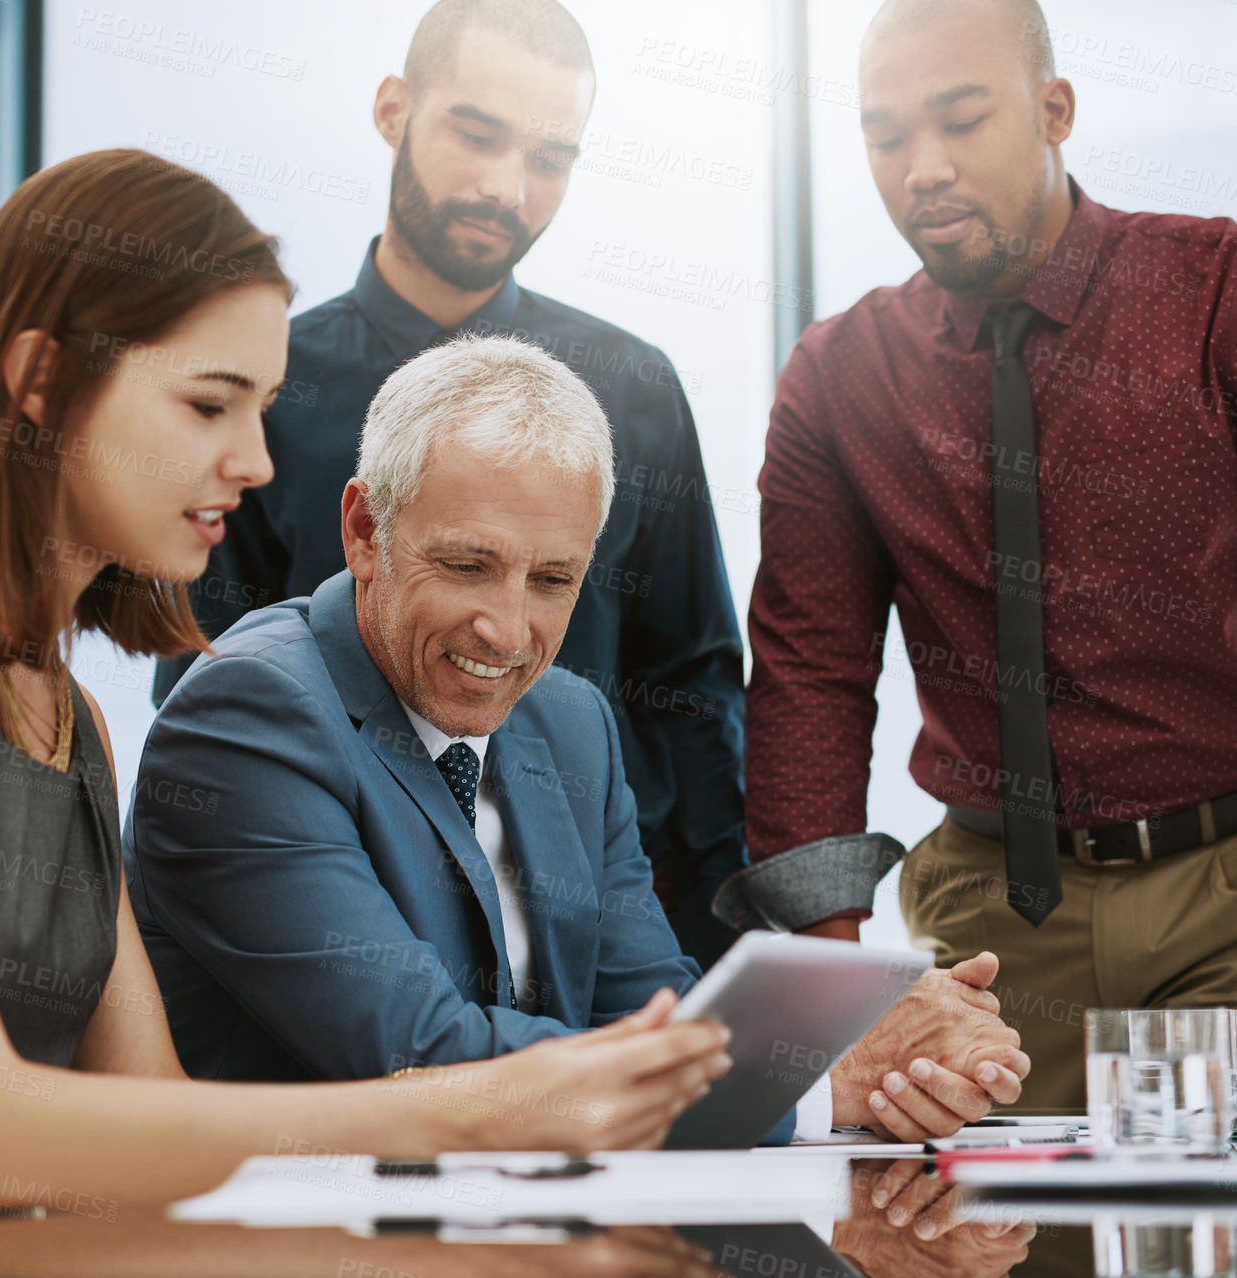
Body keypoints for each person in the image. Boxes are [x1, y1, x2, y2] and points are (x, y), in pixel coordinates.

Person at [0, 150, 735, 1255]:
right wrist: (471, 1109)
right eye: (209, 403)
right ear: (39, 383)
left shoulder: (65, 716)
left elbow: (146, 1127)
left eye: (264, 408)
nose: (256, 460)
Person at [127, 332, 1031, 1143]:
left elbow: (648, 1009)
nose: (508, 632)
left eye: (552, 579)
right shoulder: (248, 717)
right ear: (365, 531)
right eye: (467, 565)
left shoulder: (571, 722)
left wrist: (854, 1051)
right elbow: (420, 1052)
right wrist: (810, 1088)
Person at [150, 0, 746, 967]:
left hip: (588, 924)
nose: (505, 185)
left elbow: (692, 682)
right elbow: (203, 671)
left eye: (549, 159)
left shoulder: (633, 388)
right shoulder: (264, 386)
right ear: (393, 110)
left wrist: (718, 953)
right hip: (337, 900)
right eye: (477, 133)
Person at [722, 0, 1237, 1108]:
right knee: (983, 1245)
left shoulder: (1215, 298)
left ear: (1054, 111)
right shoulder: (840, 376)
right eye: (887, 135)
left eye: (962, 121)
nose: (925, 168)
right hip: (993, 927)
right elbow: (812, 675)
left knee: (1201, 1243)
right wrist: (842, 985)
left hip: (1224, 886)